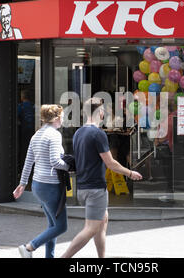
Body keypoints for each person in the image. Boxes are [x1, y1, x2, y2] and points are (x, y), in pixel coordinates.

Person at [61, 97, 142, 258]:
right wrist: (130, 173)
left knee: (102, 221)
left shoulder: (79, 133)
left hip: (83, 187)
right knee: (91, 228)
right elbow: (110, 163)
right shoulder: (98, 134)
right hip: (95, 188)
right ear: (101, 113)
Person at [13, 104, 70, 258]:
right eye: (63, 116)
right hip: (50, 186)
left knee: (52, 225)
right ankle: (29, 247)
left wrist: (23, 184)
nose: (64, 119)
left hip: (38, 185)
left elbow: (28, 162)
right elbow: (55, 162)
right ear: (57, 118)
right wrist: (70, 167)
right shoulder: (54, 134)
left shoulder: (36, 135)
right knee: (61, 227)